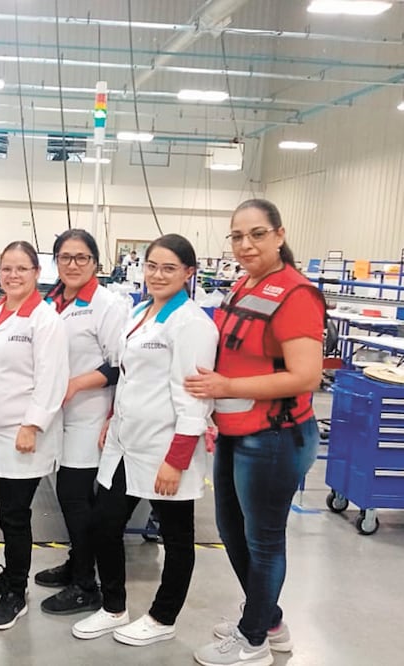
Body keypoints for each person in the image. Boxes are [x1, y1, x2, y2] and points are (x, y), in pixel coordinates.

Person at [184, 199, 325, 666]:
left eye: (257, 234)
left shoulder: (296, 294)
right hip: (235, 428)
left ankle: (253, 640)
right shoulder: (245, 285)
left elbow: (306, 376)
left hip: (275, 436)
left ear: (280, 235)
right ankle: (270, 620)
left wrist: (227, 386)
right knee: (231, 529)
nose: (245, 244)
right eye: (237, 236)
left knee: (263, 539)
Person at [71, 234, 218, 648]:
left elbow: (192, 398)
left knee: (176, 537)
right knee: (104, 523)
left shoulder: (192, 324)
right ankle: (113, 606)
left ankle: (162, 616)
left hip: (165, 448)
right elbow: (131, 374)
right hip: (125, 441)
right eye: (152, 266)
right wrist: (114, 416)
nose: (157, 274)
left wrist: (176, 459)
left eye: (169, 268)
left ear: (189, 273)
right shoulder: (139, 312)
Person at [0, 241, 69, 630]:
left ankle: (17, 590)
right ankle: (10, 572)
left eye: (22, 269)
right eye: (6, 268)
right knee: (4, 512)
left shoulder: (45, 320)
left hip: (22, 432)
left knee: (15, 516)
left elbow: (52, 379)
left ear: (36, 273)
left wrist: (32, 425)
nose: (13, 275)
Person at [35, 229, 128, 615]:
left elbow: (120, 364)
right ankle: (78, 562)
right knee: (70, 496)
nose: (72, 264)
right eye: (65, 257)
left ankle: (86, 585)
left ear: (95, 263)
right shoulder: (51, 302)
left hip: (90, 415)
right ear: (55, 262)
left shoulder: (107, 304)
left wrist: (74, 384)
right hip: (57, 417)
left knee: (75, 498)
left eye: (81, 258)